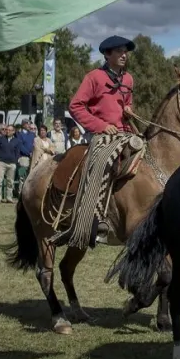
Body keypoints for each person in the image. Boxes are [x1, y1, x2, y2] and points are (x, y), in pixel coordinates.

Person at [55, 35, 138, 247]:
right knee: (103, 162)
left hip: (126, 133)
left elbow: (127, 104)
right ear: (107, 54)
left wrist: (129, 110)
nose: (124, 55)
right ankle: (93, 217)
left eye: (125, 51)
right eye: (119, 51)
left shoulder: (128, 79)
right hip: (103, 135)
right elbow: (76, 106)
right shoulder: (94, 77)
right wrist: (101, 126)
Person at [0, 125, 19, 203]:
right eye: (7, 130)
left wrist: (15, 161)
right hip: (1, 163)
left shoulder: (17, 141)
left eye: (10, 130)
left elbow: (17, 152)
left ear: (13, 131)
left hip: (11, 164)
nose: (8, 131)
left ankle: (9, 198)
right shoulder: (1, 139)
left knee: (10, 182)